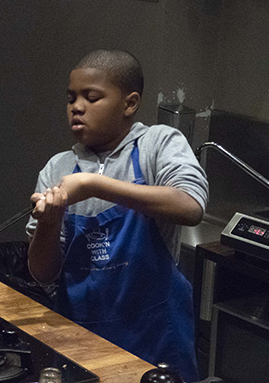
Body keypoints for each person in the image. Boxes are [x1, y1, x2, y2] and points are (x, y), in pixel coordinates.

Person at [26, 49, 208, 383]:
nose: (77, 107)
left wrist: (96, 186)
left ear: (129, 103)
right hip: (81, 338)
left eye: (91, 97)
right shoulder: (59, 168)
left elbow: (190, 206)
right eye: (71, 99)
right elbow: (42, 273)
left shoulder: (158, 144)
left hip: (154, 339)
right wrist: (48, 225)